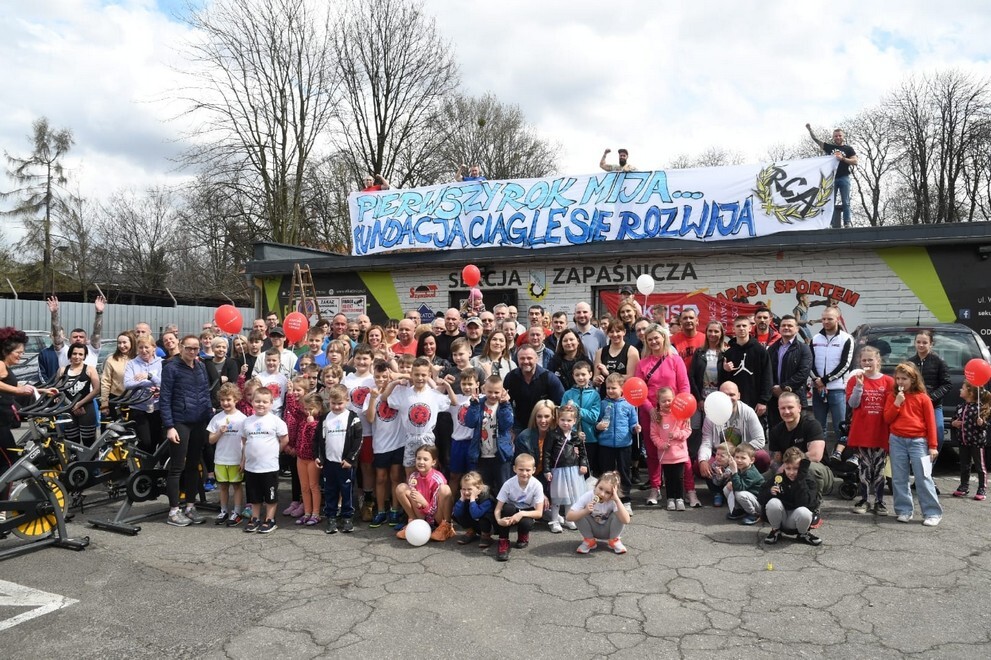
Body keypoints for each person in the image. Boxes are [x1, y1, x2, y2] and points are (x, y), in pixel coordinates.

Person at [635, 324, 691, 507]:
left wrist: (684, 411)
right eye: (649, 339)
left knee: (679, 451)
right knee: (653, 452)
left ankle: (687, 490)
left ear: (664, 338)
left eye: (656, 338)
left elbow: (684, 387)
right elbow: (639, 391)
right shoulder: (642, 364)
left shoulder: (675, 360)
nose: (653, 342)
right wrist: (651, 410)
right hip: (650, 413)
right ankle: (655, 487)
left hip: (674, 414)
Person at [160, 335, 213, 528]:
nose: (192, 351)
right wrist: (169, 426)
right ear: (181, 347)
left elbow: (206, 394)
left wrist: (209, 419)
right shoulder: (171, 368)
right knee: (177, 467)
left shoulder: (200, 367)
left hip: (199, 422)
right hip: (180, 422)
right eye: (189, 348)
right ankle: (174, 511)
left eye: (196, 348)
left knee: (193, 465)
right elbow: (165, 398)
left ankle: (190, 506)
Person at [885, 362, 942, 526]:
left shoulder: (923, 398)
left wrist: (933, 446)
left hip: (918, 441)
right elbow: (887, 419)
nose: (900, 382)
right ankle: (904, 510)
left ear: (913, 379)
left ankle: (932, 513)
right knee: (899, 478)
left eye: (904, 379)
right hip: (897, 440)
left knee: (923, 477)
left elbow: (931, 423)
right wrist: (897, 403)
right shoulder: (893, 396)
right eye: (898, 378)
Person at [0, 328, 56, 480]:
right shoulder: (0, 364)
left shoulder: (5, 367)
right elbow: (15, 388)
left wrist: (41, 390)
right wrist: (18, 391)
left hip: (4, 423)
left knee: (8, 462)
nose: (21, 355)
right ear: (6, 351)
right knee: (9, 464)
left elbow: (15, 386)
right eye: (18, 352)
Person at [383, 357, 455, 474]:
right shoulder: (404, 394)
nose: (420, 378)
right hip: (410, 438)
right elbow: (384, 398)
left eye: (423, 375)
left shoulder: (434, 395)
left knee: (429, 473)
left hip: (427, 438)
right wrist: (394, 383)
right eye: (416, 375)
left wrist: (447, 385)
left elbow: (453, 402)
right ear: (411, 374)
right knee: (410, 473)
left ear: (429, 375)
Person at [846, 346, 895, 515]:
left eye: (870, 359)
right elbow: (853, 404)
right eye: (864, 360)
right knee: (864, 468)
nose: (867, 363)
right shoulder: (854, 380)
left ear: (878, 360)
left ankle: (880, 502)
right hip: (862, 431)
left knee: (880, 469)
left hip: (881, 431)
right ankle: (864, 500)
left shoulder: (889, 381)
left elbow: (892, 408)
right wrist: (859, 387)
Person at [698, 382, 768, 492]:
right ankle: (718, 491)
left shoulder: (748, 412)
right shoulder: (711, 415)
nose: (728, 398)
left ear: (739, 395)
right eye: (725, 395)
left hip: (741, 454)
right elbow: (706, 442)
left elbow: (760, 440)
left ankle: (748, 484)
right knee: (699, 464)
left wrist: (736, 455)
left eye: (732, 395)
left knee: (763, 457)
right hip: (719, 455)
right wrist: (702, 460)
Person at [768, 392, 835, 504]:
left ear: (799, 408)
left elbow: (816, 456)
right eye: (783, 408)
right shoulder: (776, 431)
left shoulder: (812, 425)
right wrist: (779, 474)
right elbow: (775, 461)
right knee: (763, 478)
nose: (786, 411)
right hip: (789, 470)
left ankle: (814, 505)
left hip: (820, 471)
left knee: (808, 468)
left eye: (790, 407)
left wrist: (788, 465)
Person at [239, 387, 288, 534]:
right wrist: (243, 460)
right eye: (258, 401)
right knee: (254, 495)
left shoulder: (276, 421)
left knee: (270, 496)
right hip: (251, 467)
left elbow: (284, 439)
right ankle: (255, 518)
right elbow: (244, 442)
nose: (261, 404)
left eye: (265, 402)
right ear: (252, 402)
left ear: (271, 403)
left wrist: (274, 451)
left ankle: (270, 519)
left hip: (269, 467)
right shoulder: (247, 421)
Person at [315, 384, 363, 534]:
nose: (336, 407)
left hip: (345, 464)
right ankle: (331, 517)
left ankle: (347, 517)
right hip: (329, 463)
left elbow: (358, 440)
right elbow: (318, 440)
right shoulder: (325, 418)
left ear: (347, 401)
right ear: (329, 401)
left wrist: (350, 459)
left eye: (340, 403)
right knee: (330, 491)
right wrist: (319, 457)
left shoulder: (353, 417)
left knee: (347, 491)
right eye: (333, 403)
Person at [811, 307, 854, 463]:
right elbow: (809, 362)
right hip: (818, 389)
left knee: (840, 427)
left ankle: (840, 459)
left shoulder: (847, 338)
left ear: (838, 319)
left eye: (830, 318)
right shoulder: (815, 338)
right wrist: (817, 380)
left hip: (837, 390)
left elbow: (845, 364)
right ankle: (822, 460)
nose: (826, 322)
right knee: (819, 428)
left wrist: (825, 380)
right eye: (823, 319)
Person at [365, 360, 405, 528]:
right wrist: (373, 399)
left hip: (398, 442)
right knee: (381, 478)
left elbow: (414, 377)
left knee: (395, 477)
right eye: (377, 376)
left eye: (384, 376)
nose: (381, 379)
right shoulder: (371, 394)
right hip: (381, 444)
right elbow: (370, 418)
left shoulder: (399, 390)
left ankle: (395, 510)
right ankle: (381, 510)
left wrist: (396, 376)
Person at [465, 374, 515, 503]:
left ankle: (502, 512)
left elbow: (506, 424)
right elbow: (470, 422)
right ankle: (485, 513)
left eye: (496, 392)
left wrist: (505, 405)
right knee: (483, 490)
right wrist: (474, 405)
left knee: (503, 489)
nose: (493, 395)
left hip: (500, 456)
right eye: (490, 392)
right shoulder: (478, 403)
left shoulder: (505, 405)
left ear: (502, 391)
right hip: (482, 456)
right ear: (484, 390)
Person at [759, 447, 822, 546]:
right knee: (773, 503)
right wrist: (769, 492)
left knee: (804, 512)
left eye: (796, 468)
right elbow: (760, 497)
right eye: (788, 468)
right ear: (784, 466)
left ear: (802, 468)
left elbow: (806, 503)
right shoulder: (779, 478)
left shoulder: (809, 480)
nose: (791, 472)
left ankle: (803, 534)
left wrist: (800, 479)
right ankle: (775, 531)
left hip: (798, 519)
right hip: (781, 518)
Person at [596, 373, 640, 513]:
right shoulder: (603, 404)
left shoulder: (629, 405)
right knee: (606, 474)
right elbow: (597, 421)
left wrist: (635, 428)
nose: (610, 391)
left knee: (624, 473)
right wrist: (598, 426)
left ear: (622, 389)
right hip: (606, 444)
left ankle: (625, 500)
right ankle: (605, 501)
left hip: (624, 445)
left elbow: (633, 423)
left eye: (613, 388)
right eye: (608, 388)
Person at [543, 403, 589, 533]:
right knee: (557, 497)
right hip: (558, 470)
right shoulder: (552, 435)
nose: (565, 423)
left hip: (573, 470)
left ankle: (569, 518)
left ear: (574, 421)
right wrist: (547, 470)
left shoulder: (576, 436)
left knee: (571, 496)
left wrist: (583, 464)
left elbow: (582, 452)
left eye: (569, 420)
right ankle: (554, 520)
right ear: (558, 420)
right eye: (562, 420)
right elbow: (547, 453)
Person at [394, 444, 455, 542]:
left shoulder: (438, 478)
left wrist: (424, 503)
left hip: (436, 517)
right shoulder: (413, 476)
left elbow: (433, 509)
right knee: (401, 488)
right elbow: (416, 501)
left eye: (425, 459)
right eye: (418, 458)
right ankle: (413, 523)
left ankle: (446, 527)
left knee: (445, 489)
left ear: (433, 462)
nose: (421, 462)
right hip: (422, 513)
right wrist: (418, 503)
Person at [207, 383, 248, 527]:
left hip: (236, 459)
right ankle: (223, 510)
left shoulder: (243, 418)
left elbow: (246, 442)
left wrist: (243, 460)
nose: (225, 403)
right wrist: (219, 432)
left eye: (229, 399)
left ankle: (237, 512)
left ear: (236, 399)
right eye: (223, 400)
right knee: (223, 486)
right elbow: (211, 440)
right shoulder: (217, 418)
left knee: (237, 485)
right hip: (221, 459)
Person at [494, 453, 545, 561]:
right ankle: (503, 540)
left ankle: (523, 535)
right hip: (511, 510)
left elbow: (539, 513)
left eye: (528, 470)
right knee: (508, 508)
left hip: (527, 511)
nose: (524, 473)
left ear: (534, 470)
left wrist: (521, 514)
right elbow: (498, 508)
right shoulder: (508, 484)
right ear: (514, 469)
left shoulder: (537, 485)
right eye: (521, 469)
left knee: (526, 523)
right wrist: (499, 520)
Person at [503, 345, 565, 435]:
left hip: (545, 424)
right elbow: (506, 403)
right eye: (522, 358)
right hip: (519, 425)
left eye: (529, 358)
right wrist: (510, 427)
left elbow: (561, 403)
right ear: (517, 360)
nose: (526, 361)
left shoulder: (549, 377)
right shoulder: (511, 377)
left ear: (536, 359)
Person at [566, 471, 631, 554]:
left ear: (613, 494)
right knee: (579, 513)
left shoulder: (613, 500)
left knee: (619, 513)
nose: (602, 494)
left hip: (609, 531)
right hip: (593, 530)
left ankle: (614, 541)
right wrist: (585, 511)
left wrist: (617, 500)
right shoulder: (588, 496)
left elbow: (626, 520)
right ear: (596, 485)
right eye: (600, 488)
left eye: (608, 492)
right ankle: (589, 541)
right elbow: (569, 517)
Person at [805, 123, 858, 227]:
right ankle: (831, 223)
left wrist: (843, 159)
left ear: (843, 136)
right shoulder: (829, 147)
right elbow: (816, 140)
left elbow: (855, 161)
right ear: (833, 137)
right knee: (830, 202)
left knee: (846, 201)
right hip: (831, 178)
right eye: (836, 136)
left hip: (844, 177)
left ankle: (847, 222)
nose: (838, 137)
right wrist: (810, 130)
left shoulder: (848, 149)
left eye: (840, 135)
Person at [719, 315, 772, 417]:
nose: (741, 328)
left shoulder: (760, 351)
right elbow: (723, 381)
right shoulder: (728, 353)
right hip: (733, 403)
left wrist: (763, 401)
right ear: (733, 329)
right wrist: (725, 370)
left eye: (744, 326)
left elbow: (767, 376)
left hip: (756, 403)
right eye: (738, 326)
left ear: (750, 328)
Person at [767, 315, 813, 430]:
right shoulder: (772, 349)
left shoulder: (804, 349)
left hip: (795, 396)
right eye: (783, 325)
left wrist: (783, 387)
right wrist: (774, 388)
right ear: (779, 328)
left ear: (797, 329)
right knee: (776, 432)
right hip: (775, 399)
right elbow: (767, 372)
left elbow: (803, 373)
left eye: (790, 325)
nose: (786, 328)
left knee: (798, 432)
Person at [908, 330, 951, 451]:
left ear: (931, 344)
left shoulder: (939, 362)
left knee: (938, 432)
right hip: (914, 405)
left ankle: (931, 460)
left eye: (925, 342)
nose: (921, 345)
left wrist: (930, 398)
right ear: (914, 343)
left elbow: (947, 384)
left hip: (934, 405)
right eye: (918, 342)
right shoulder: (910, 362)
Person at [652, 387, 691, 510]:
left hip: (679, 454)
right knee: (668, 478)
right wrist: (662, 444)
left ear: (675, 400)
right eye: (664, 401)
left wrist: (676, 435)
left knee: (679, 477)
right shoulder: (657, 417)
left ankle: (679, 498)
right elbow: (654, 435)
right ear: (658, 402)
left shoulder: (681, 414)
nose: (667, 403)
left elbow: (687, 430)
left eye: (669, 400)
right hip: (665, 455)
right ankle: (670, 499)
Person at [123, 337, 164, 453]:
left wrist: (149, 376)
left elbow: (164, 383)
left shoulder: (161, 363)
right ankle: (143, 463)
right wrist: (149, 382)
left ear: (154, 348)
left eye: (147, 347)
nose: (144, 350)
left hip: (157, 407)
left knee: (156, 441)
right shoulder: (132, 363)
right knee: (145, 442)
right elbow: (128, 384)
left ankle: (151, 464)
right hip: (138, 407)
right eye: (140, 347)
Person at [289, 392, 323, 527]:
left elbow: (316, 438)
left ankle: (316, 513)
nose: (308, 412)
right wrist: (290, 393)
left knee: (313, 486)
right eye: (306, 408)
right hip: (301, 457)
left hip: (312, 459)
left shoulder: (320, 421)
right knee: (304, 486)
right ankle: (307, 512)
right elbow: (292, 409)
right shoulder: (302, 418)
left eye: (311, 409)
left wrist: (312, 424)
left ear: (319, 407)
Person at [561, 361, 602, 475]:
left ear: (590, 374)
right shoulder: (567, 394)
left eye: (583, 374)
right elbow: (563, 416)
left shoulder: (595, 395)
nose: (580, 377)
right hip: (571, 439)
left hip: (590, 439)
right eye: (577, 375)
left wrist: (577, 408)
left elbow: (593, 417)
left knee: (587, 470)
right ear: (573, 376)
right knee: (573, 470)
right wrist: (575, 433)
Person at [57, 343, 101, 447]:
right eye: (74, 353)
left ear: (84, 356)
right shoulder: (62, 370)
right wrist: (72, 405)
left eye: (81, 354)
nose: (77, 357)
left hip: (86, 408)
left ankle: (91, 458)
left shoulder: (90, 369)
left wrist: (80, 404)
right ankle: (74, 458)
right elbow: (58, 390)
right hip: (68, 409)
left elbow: (97, 390)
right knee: (72, 442)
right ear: (70, 355)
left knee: (89, 442)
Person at [951, 382, 990, 501]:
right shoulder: (960, 407)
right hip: (963, 441)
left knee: (979, 466)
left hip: (977, 443)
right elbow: (954, 420)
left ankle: (982, 488)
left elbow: (986, 426)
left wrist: (982, 423)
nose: (960, 390)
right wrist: (954, 423)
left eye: (962, 388)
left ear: (971, 393)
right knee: (964, 465)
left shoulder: (980, 408)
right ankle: (964, 486)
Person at [47, 295, 106, 368]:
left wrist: (99, 313)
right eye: (75, 337)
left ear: (86, 339)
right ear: (69, 339)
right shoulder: (64, 351)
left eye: (81, 337)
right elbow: (56, 335)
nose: (78, 339)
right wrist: (54, 313)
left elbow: (97, 333)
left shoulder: (92, 350)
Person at [594, 319, 640, 397]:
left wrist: (608, 373)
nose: (615, 334)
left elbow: (631, 377)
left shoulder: (631, 351)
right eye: (611, 332)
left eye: (618, 331)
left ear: (624, 332)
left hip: (624, 397)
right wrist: (597, 380)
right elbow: (595, 377)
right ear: (607, 333)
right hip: (605, 397)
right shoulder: (600, 352)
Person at [453, 471, 497, 548]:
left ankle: (486, 536)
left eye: (469, 489)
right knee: (458, 511)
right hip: (475, 521)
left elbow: (475, 514)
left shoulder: (486, 498)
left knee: (484, 518)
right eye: (463, 489)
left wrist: (472, 499)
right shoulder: (464, 496)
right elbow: (456, 514)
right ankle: (471, 531)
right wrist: (461, 499)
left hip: (488, 526)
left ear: (478, 488)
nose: (466, 492)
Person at [100, 331, 136, 417]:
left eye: (124, 342)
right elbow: (105, 382)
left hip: (135, 400)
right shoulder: (111, 360)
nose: (121, 346)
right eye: (119, 343)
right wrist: (104, 403)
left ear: (132, 342)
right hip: (116, 399)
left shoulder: (138, 359)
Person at [726, 444, 764, 525]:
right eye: (737, 457)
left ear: (752, 460)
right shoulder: (741, 469)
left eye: (743, 458)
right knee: (727, 488)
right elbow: (736, 483)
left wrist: (734, 472)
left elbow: (740, 487)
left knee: (740, 494)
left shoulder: (751, 473)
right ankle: (740, 510)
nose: (739, 460)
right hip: (749, 497)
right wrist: (731, 481)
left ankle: (754, 514)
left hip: (759, 503)